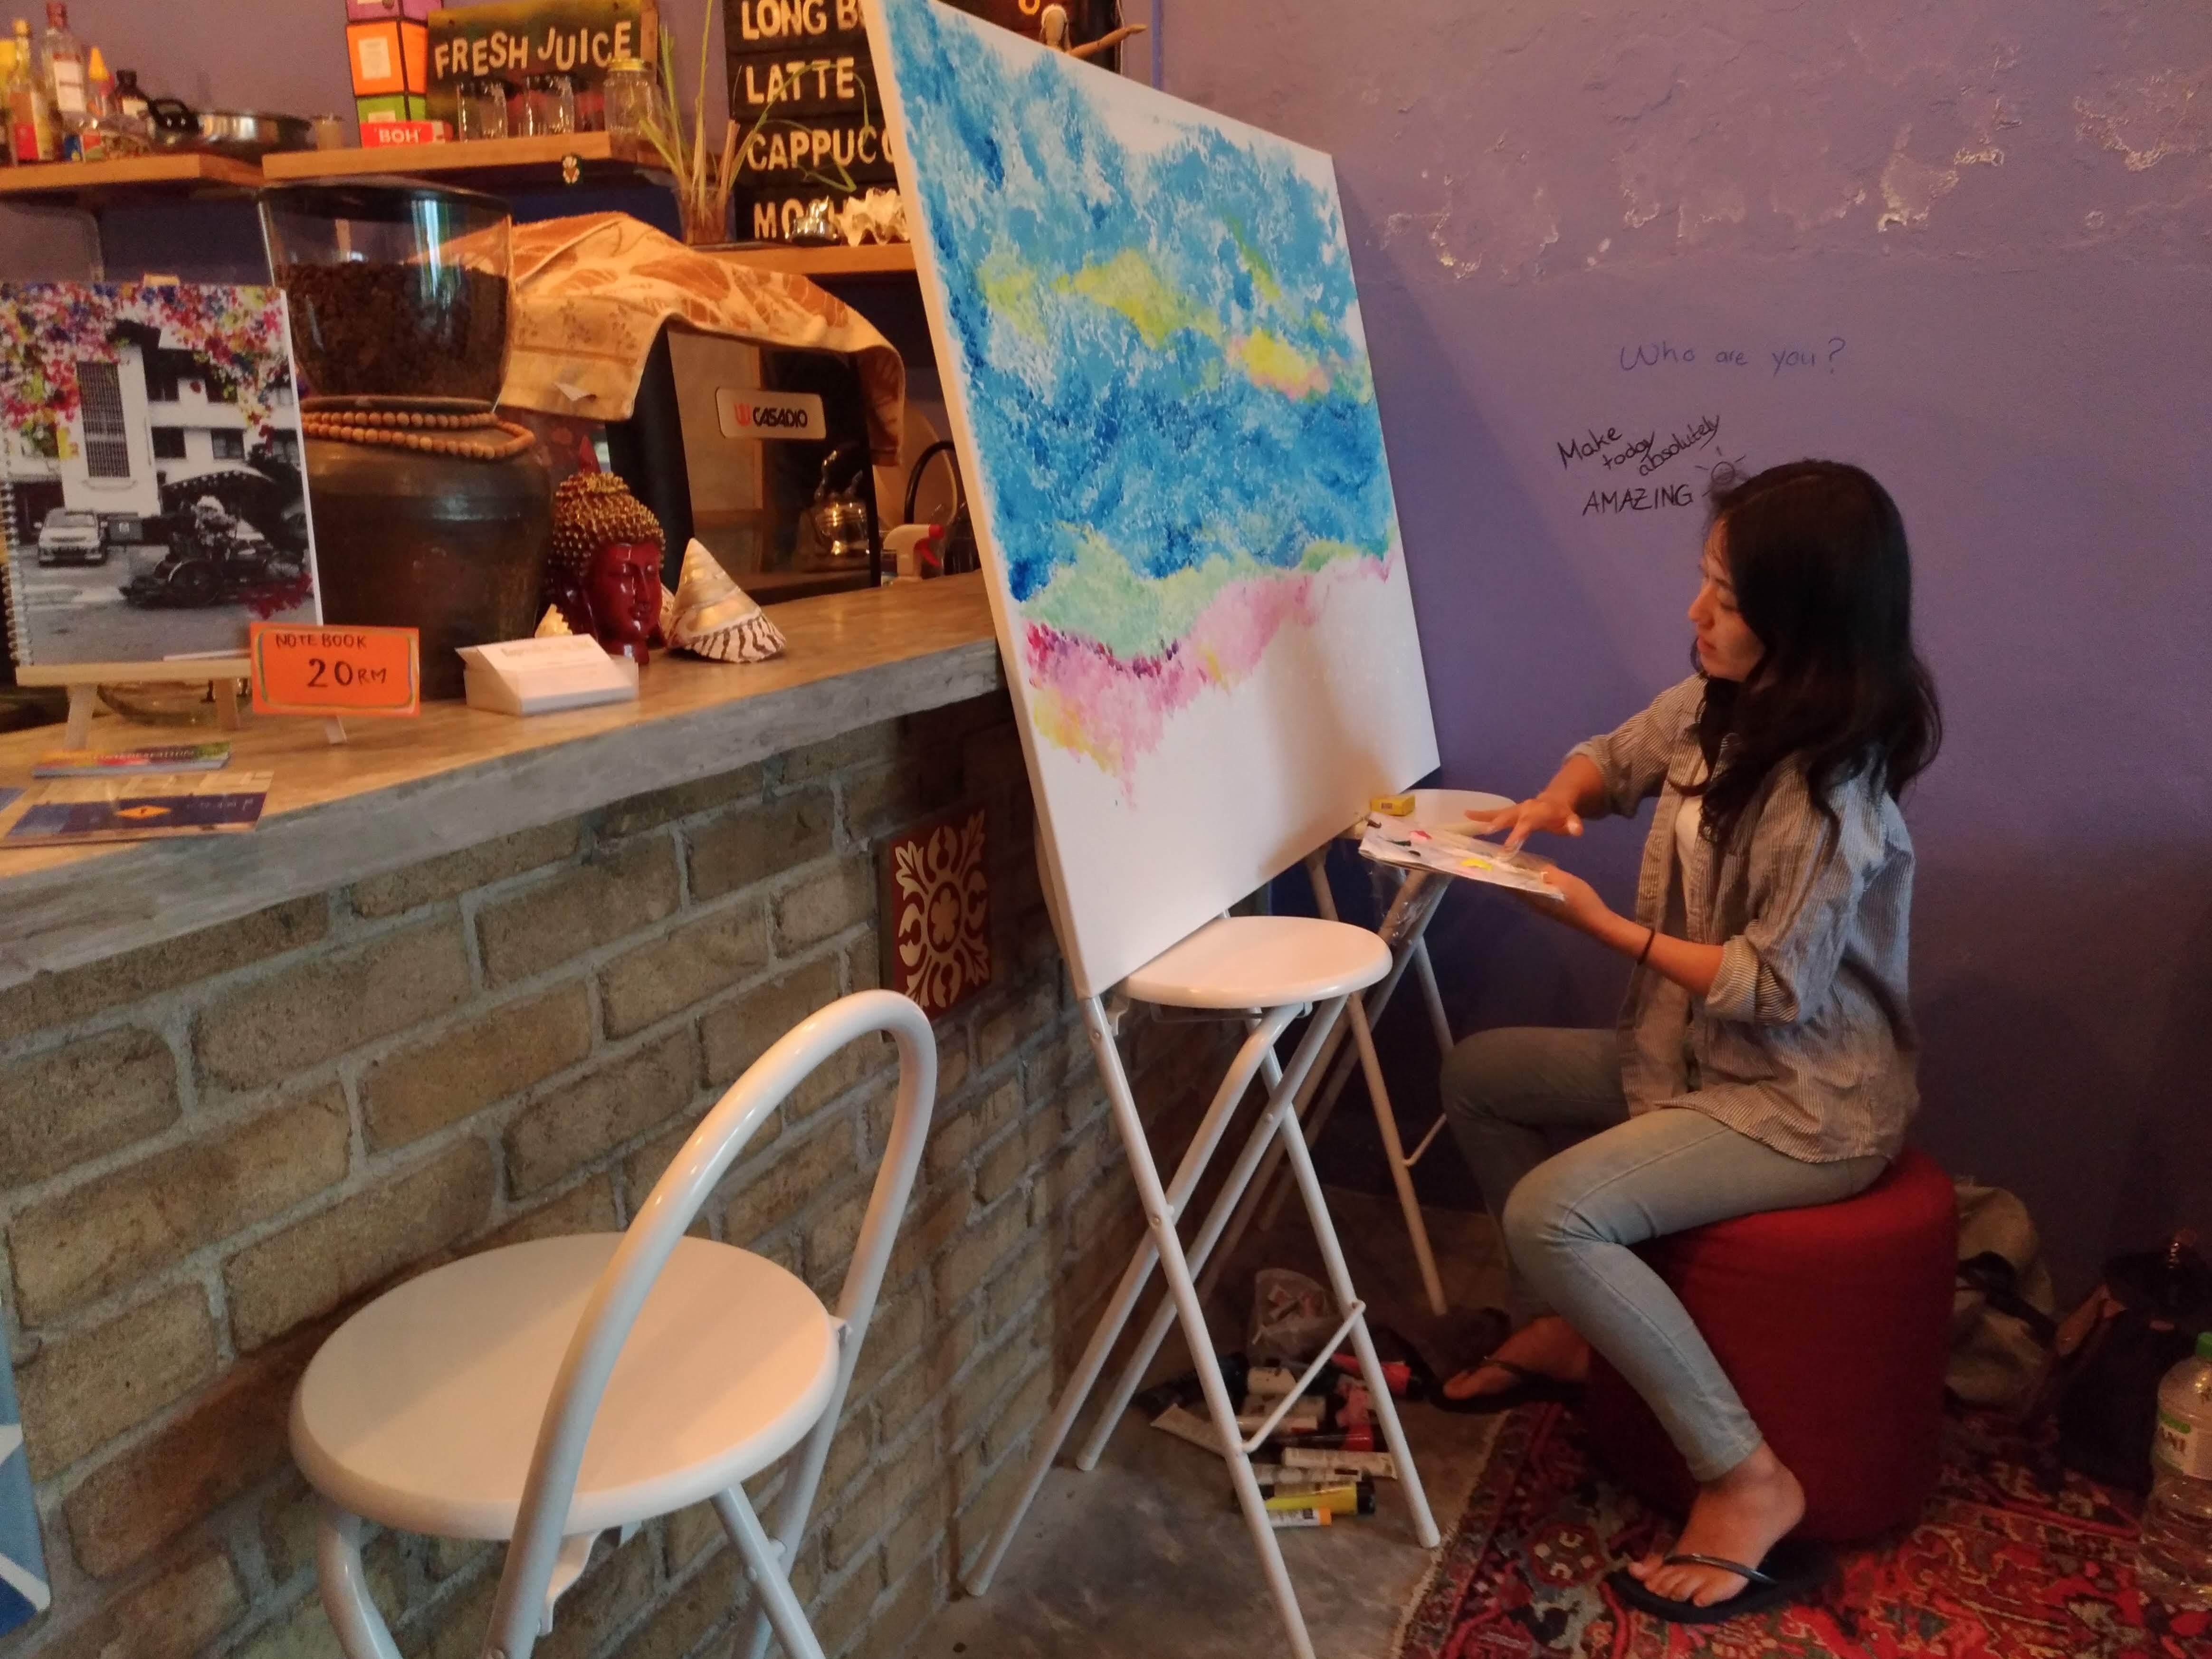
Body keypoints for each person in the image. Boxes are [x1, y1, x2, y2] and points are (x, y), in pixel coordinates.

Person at [1435, 460, 1941, 1619]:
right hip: (1696, 1057)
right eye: (1705, 580)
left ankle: (1749, 1477)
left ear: (1803, 622)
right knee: (1480, 1077)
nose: (1695, 611)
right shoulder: (1725, 699)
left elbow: (1774, 989)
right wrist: (1555, 800)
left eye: (1726, 595)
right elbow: (1617, 755)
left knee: (1551, 1213)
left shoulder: (1829, 794)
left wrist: (1599, 924)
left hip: (1802, 1101)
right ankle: (1571, 1329)